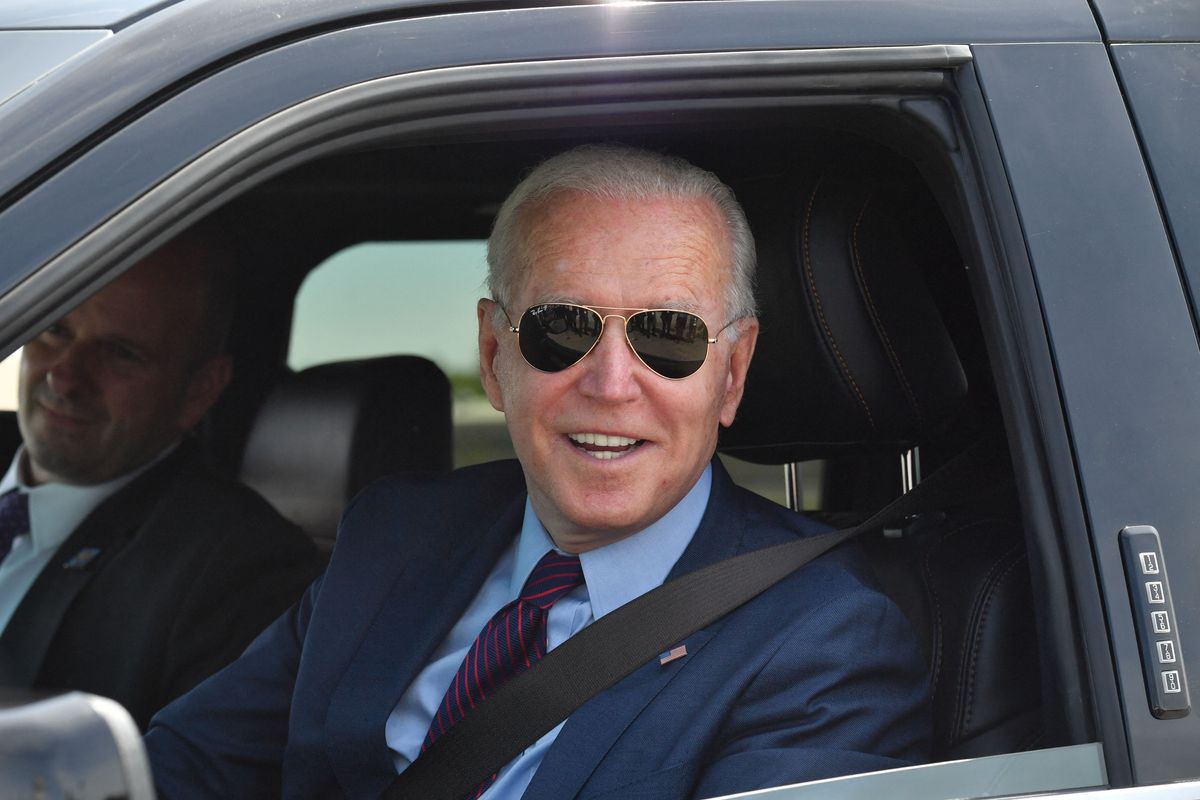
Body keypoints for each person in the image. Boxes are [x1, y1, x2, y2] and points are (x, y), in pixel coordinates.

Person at [145, 144, 929, 798]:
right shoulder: (393, 536)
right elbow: (183, 768)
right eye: (563, 327)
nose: (612, 382)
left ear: (731, 374)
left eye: (670, 335)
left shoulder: (826, 636)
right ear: (493, 356)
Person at [0, 227, 322, 729]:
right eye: (55, 330)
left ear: (198, 390)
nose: (65, 377)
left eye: (119, 353)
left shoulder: (238, 567)